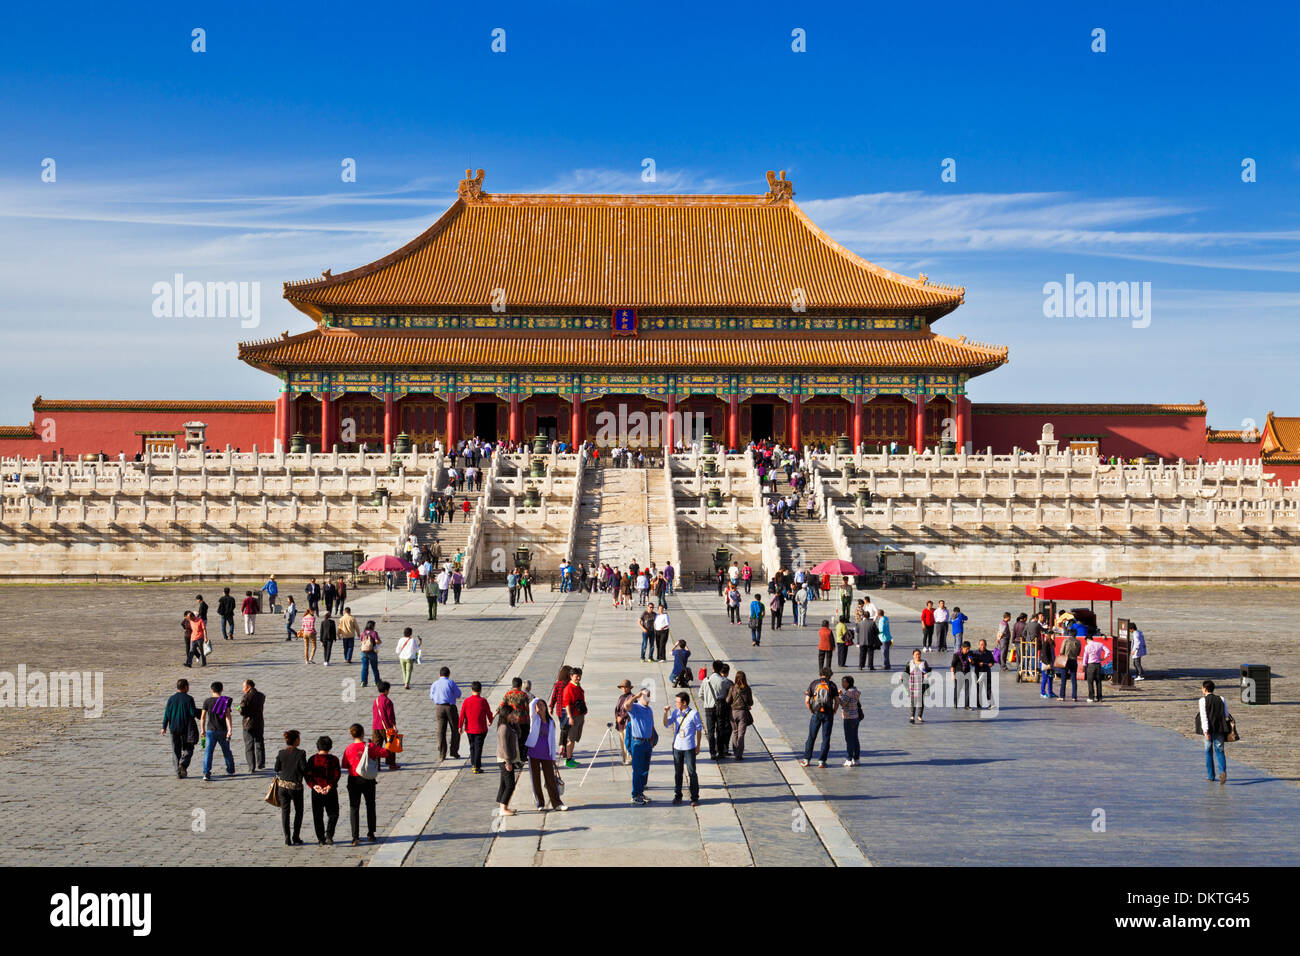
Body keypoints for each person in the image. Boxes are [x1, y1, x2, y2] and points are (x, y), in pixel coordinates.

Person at [341, 722, 392, 845]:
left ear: (351, 735)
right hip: (368, 779)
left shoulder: (348, 748)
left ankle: (355, 836)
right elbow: (385, 753)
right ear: (363, 733)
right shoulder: (370, 746)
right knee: (370, 805)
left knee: (354, 807)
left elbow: (344, 765)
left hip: (353, 779)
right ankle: (371, 833)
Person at [525, 699, 568, 811]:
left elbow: (552, 741)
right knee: (535, 779)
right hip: (533, 752)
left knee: (550, 779)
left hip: (546, 753)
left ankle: (557, 803)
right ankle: (540, 803)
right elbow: (531, 705)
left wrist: (553, 756)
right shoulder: (534, 718)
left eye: (542, 704)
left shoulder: (551, 722)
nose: (539, 706)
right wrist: (537, 700)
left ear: (545, 706)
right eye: (537, 705)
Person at [664, 692, 703, 806]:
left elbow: (699, 730)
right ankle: (678, 795)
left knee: (692, 772)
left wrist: (698, 746)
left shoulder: (693, 714)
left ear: (684, 703)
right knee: (678, 773)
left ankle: (695, 797)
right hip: (677, 747)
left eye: (677, 702)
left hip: (689, 747)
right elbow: (666, 724)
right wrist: (665, 712)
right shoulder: (676, 712)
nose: (676, 703)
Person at [160, 678, 200, 778]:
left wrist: (163, 727)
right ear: (186, 687)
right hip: (185, 729)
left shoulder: (171, 699)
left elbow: (167, 714)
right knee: (189, 748)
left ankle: (178, 771)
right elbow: (193, 712)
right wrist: (202, 712)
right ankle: (183, 764)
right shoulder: (189, 699)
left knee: (175, 750)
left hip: (173, 728)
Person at [800, 667, 839, 768]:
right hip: (828, 714)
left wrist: (811, 710)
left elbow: (807, 700)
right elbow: (837, 701)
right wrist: (834, 710)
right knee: (826, 738)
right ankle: (822, 761)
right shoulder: (832, 685)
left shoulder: (814, 683)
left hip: (816, 713)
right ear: (830, 675)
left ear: (820, 673)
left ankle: (806, 760)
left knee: (811, 737)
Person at [274, 730, 308, 846]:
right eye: (298, 738)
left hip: (282, 787)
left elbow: (276, 768)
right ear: (296, 740)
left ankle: (287, 837)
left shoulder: (281, 752)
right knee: (299, 811)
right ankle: (296, 836)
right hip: (295, 787)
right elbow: (304, 769)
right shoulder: (301, 753)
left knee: (285, 812)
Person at [305, 735, 341, 845]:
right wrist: (330, 785)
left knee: (317, 815)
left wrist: (314, 786)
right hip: (330, 791)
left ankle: (321, 839)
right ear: (330, 747)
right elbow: (337, 774)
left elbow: (307, 775)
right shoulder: (334, 759)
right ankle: (329, 834)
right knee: (333, 814)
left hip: (317, 791)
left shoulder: (312, 759)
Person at [1196, 680, 1231, 784]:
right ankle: (1222, 771)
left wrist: (1206, 731)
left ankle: (1211, 775)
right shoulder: (1221, 699)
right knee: (1220, 751)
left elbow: (1204, 717)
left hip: (1209, 730)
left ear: (1205, 689)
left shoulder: (1202, 701)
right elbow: (1226, 714)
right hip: (1220, 729)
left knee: (1208, 752)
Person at [199, 681, 236, 781]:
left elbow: (202, 717)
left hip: (210, 731)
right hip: (223, 730)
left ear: (211, 690)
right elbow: (227, 716)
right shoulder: (224, 701)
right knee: (226, 751)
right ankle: (231, 770)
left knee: (208, 752)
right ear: (221, 690)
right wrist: (230, 729)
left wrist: (202, 730)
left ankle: (206, 773)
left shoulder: (207, 701)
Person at [625, 686, 656, 804]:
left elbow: (652, 726)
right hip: (638, 742)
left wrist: (652, 740)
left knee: (645, 770)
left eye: (649, 695)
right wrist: (635, 697)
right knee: (637, 770)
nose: (648, 698)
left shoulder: (649, 710)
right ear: (640, 696)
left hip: (647, 743)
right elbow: (626, 706)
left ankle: (641, 792)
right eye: (646, 695)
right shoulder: (636, 708)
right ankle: (635, 795)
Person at [697, 661, 729, 760]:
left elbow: (700, 695)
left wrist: (707, 700)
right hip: (720, 708)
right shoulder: (723, 681)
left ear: (712, 668)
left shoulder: (706, 680)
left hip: (708, 708)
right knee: (720, 730)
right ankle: (720, 751)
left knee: (710, 731)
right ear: (720, 669)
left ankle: (712, 752)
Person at [460, 681, 493, 773]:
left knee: (472, 746)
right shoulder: (483, 701)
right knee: (478, 747)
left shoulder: (466, 701)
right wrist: (490, 720)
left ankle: (473, 764)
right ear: (481, 690)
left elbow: (462, 714)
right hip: (481, 729)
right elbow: (488, 713)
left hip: (469, 729)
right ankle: (476, 766)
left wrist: (460, 726)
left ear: (471, 690)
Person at [430, 666, 463, 760]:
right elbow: (458, 694)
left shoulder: (435, 683)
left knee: (441, 731)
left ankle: (442, 753)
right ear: (448, 674)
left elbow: (431, 696)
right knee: (455, 729)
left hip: (439, 708)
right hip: (450, 707)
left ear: (439, 674)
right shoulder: (450, 682)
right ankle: (454, 751)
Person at [495, 706, 523, 817]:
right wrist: (508, 762)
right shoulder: (503, 728)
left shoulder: (509, 726)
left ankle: (502, 806)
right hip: (504, 759)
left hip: (508, 759)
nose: (513, 715)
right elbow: (504, 746)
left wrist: (515, 723)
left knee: (504, 783)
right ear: (505, 714)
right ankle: (503, 807)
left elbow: (519, 735)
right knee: (510, 784)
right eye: (511, 713)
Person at [559, 667, 586, 769]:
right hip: (573, 716)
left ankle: (570, 758)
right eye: (576, 676)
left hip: (579, 715)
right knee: (570, 739)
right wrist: (570, 717)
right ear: (571, 676)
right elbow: (567, 704)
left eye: (579, 676)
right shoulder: (569, 688)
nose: (578, 678)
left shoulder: (577, 686)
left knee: (574, 739)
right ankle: (568, 760)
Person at [371, 681, 400, 770]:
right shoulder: (388, 701)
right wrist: (394, 725)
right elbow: (390, 716)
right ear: (387, 690)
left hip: (375, 726)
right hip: (386, 727)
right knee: (391, 745)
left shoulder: (375, 701)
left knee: (376, 747)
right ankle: (391, 764)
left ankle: (377, 766)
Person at [240, 678, 266, 772]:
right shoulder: (261, 696)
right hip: (259, 722)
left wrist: (238, 709)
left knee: (249, 745)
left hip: (248, 724)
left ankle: (251, 766)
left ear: (249, 687)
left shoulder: (246, 697)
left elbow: (242, 710)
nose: (243, 689)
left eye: (244, 687)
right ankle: (261, 763)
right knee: (259, 742)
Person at [726, 671, 754, 760]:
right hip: (743, 713)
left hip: (733, 713)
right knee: (741, 734)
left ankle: (735, 752)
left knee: (735, 733)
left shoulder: (732, 688)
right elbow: (751, 702)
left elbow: (728, 700)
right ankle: (739, 755)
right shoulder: (747, 689)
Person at [840, 676, 862, 767]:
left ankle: (849, 758)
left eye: (844, 682)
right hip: (856, 717)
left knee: (849, 739)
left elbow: (842, 703)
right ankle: (856, 758)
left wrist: (838, 696)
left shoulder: (848, 693)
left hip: (849, 718)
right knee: (855, 738)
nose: (842, 684)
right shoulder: (855, 691)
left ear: (849, 683)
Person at [1082, 633, 1111, 702]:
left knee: (1090, 682)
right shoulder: (1100, 644)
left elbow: (1085, 657)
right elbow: (1108, 651)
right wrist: (1104, 658)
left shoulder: (1087, 647)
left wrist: (1084, 665)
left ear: (1087, 640)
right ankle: (1099, 697)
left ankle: (1091, 697)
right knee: (1098, 682)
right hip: (1098, 665)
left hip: (1090, 665)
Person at [906, 649, 931, 723]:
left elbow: (929, 670)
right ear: (913, 655)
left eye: (919, 654)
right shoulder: (910, 663)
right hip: (913, 685)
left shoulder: (924, 662)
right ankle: (912, 717)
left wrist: (927, 674)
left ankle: (919, 716)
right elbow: (906, 671)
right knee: (913, 701)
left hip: (922, 685)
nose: (918, 656)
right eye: (916, 654)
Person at [1057, 628, 1082, 702]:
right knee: (1074, 679)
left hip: (1066, 661)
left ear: (1069, 633)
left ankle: (1062, 696)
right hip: (1074, 661)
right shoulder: (1078, 642)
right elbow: (1078, 653)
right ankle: (1074, 696)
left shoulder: (1066, 640)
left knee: (1063, 679)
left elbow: (1062, 651)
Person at [971, 639, 996, 709]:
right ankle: (979, 704)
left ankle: (990, 704)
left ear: (986, 645)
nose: (982, 646)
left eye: (984, 644)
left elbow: (993, 661)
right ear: (979, 645)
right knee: (979, 689)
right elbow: (971, 661)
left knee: (988, 688)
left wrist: (991, 664)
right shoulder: (975, 653)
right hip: (978, 673)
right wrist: (977, 663)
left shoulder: (989, 653)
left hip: (987, 672)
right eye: (981, 645)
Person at [359, 620, 381, 687]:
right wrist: (379, 641)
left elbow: (361, 641)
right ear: (373, 626)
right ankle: (376, 681)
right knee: (374, 668)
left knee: (364, 668)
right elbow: (377, 641)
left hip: (363, 652)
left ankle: (363, 682)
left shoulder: (363, 633)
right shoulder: (374, 633)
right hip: (372, 652)